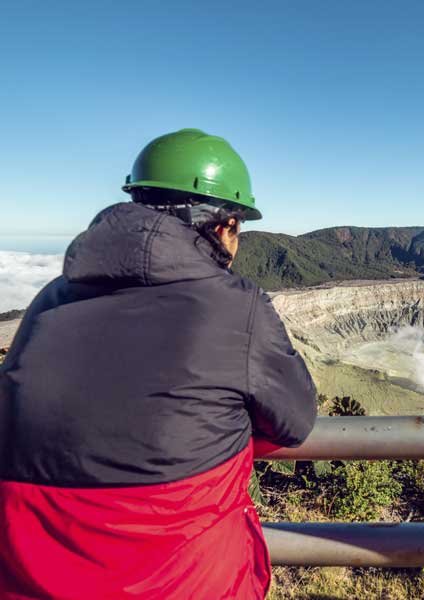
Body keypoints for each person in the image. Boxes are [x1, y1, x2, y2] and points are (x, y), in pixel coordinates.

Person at [0, 128, 317, 599]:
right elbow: (296, 422)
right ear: (225, 225)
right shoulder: (235, 307)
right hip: (184, 584)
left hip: (32, 579)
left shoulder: (50, 298)